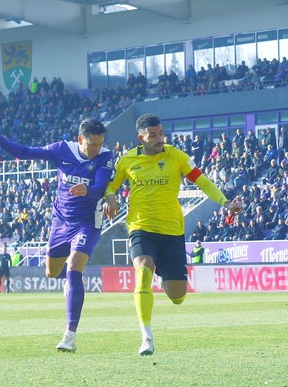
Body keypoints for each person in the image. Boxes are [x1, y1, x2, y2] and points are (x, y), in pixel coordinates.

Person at [103, 113, 244, 356]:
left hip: (172, 232)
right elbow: (111, 184)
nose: (159, 139)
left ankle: (162, 273)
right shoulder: (127, 160)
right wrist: (111, 196)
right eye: (153, 136)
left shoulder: (176, 156)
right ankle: (146, 337)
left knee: (177, 296)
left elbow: (203, 181)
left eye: (161, 134)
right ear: (141, 138)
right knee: (143, 269)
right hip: (141, 228)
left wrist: (225, 202)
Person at [0, 119, 114, 352]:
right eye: (92, 144)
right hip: (61, 222)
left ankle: (70, 335)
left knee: (74, 268)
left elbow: (101, 187)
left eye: (100, 143)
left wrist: (90, 191)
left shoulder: (105, 156)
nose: (96, 149)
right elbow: (25, 152)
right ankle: (72, 283)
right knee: (52, 272)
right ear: (80, 140)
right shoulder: (61, 150)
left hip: (87, 223)